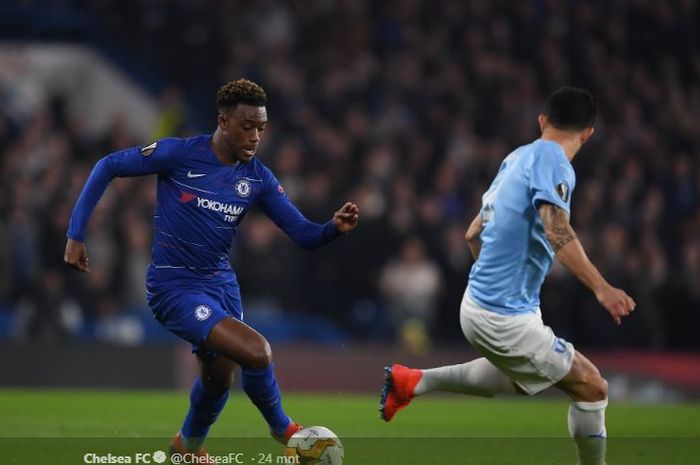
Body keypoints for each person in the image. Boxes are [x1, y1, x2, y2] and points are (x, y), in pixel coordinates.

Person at [64, 79, 360, 460]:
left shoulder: (257, 178)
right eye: (247, 127)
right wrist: (76, 234)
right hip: (174, 286)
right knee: (257, 352)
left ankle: (185, 448)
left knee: (219, 377)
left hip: (221, 285)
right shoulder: (180, 154)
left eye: (262, 129)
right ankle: (285, 430)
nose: (255, 137)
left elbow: (304, 234)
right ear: (223, 121)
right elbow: (108, 166)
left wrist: (333, 229)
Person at [379, 87, 635, 465]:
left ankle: (413, 381)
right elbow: (556, 228)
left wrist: (494, 280)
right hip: (504, 315)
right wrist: (601, 287)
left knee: (522, 377)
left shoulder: (517, 157)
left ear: (542, 121)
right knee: (592, 387)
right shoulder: (555, 162)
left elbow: (472, 233)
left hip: (482, 302)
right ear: (589, 133)